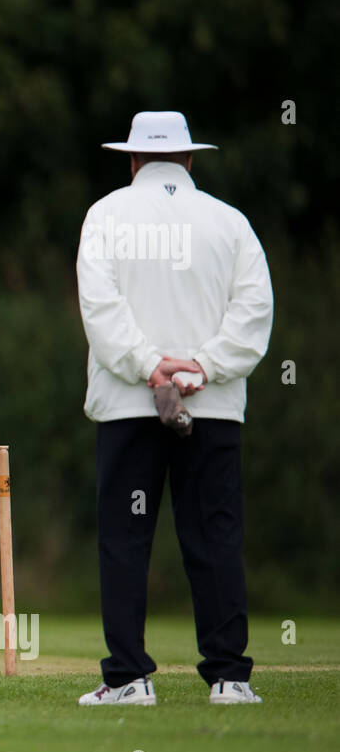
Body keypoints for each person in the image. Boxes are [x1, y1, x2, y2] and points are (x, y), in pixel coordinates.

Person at [75, 111, 273, 706]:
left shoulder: (106, 216)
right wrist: (203, 366)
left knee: (125, 539)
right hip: (211, 406)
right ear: (189, 160)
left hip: (128, 405)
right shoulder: (229, 222)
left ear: (133, 160)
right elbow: (254, 311)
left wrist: (147, 365)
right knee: (214, 536)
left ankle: (129, 679)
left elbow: (100, 308)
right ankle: (229, 679)